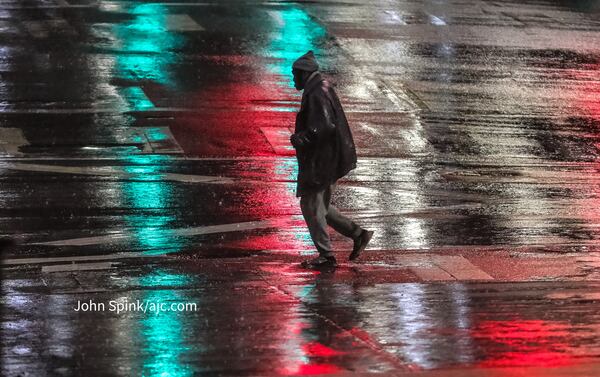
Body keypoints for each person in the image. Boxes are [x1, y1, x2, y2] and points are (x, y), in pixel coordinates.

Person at [290, 50, 373, 269]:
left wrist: (302, 138)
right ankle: (358, 234)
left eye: (294, 74)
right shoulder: (319, 87)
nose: (292, 79)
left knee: (311, 205)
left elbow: (324, 126)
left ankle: (326, 256)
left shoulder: (317, 92)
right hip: (328, 158)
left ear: (303, 73)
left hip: (323, 161)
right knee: (320, 206)